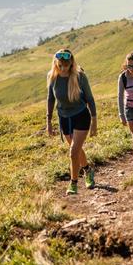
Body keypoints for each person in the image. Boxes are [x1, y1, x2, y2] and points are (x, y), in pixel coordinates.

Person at [46, 48, 97, 195]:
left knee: (73, 152)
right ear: (56, 63)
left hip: (81, 116)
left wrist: (94, 121)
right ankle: (88, 170)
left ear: (71, 64)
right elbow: (50, 99)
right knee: (76, 150)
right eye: (60, 66)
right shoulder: (52, 77)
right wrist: (48, 121)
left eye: (66, 66)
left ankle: (73, 183)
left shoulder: (80, 76)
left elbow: (90, 99)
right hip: (64, 119)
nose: (63, 69)